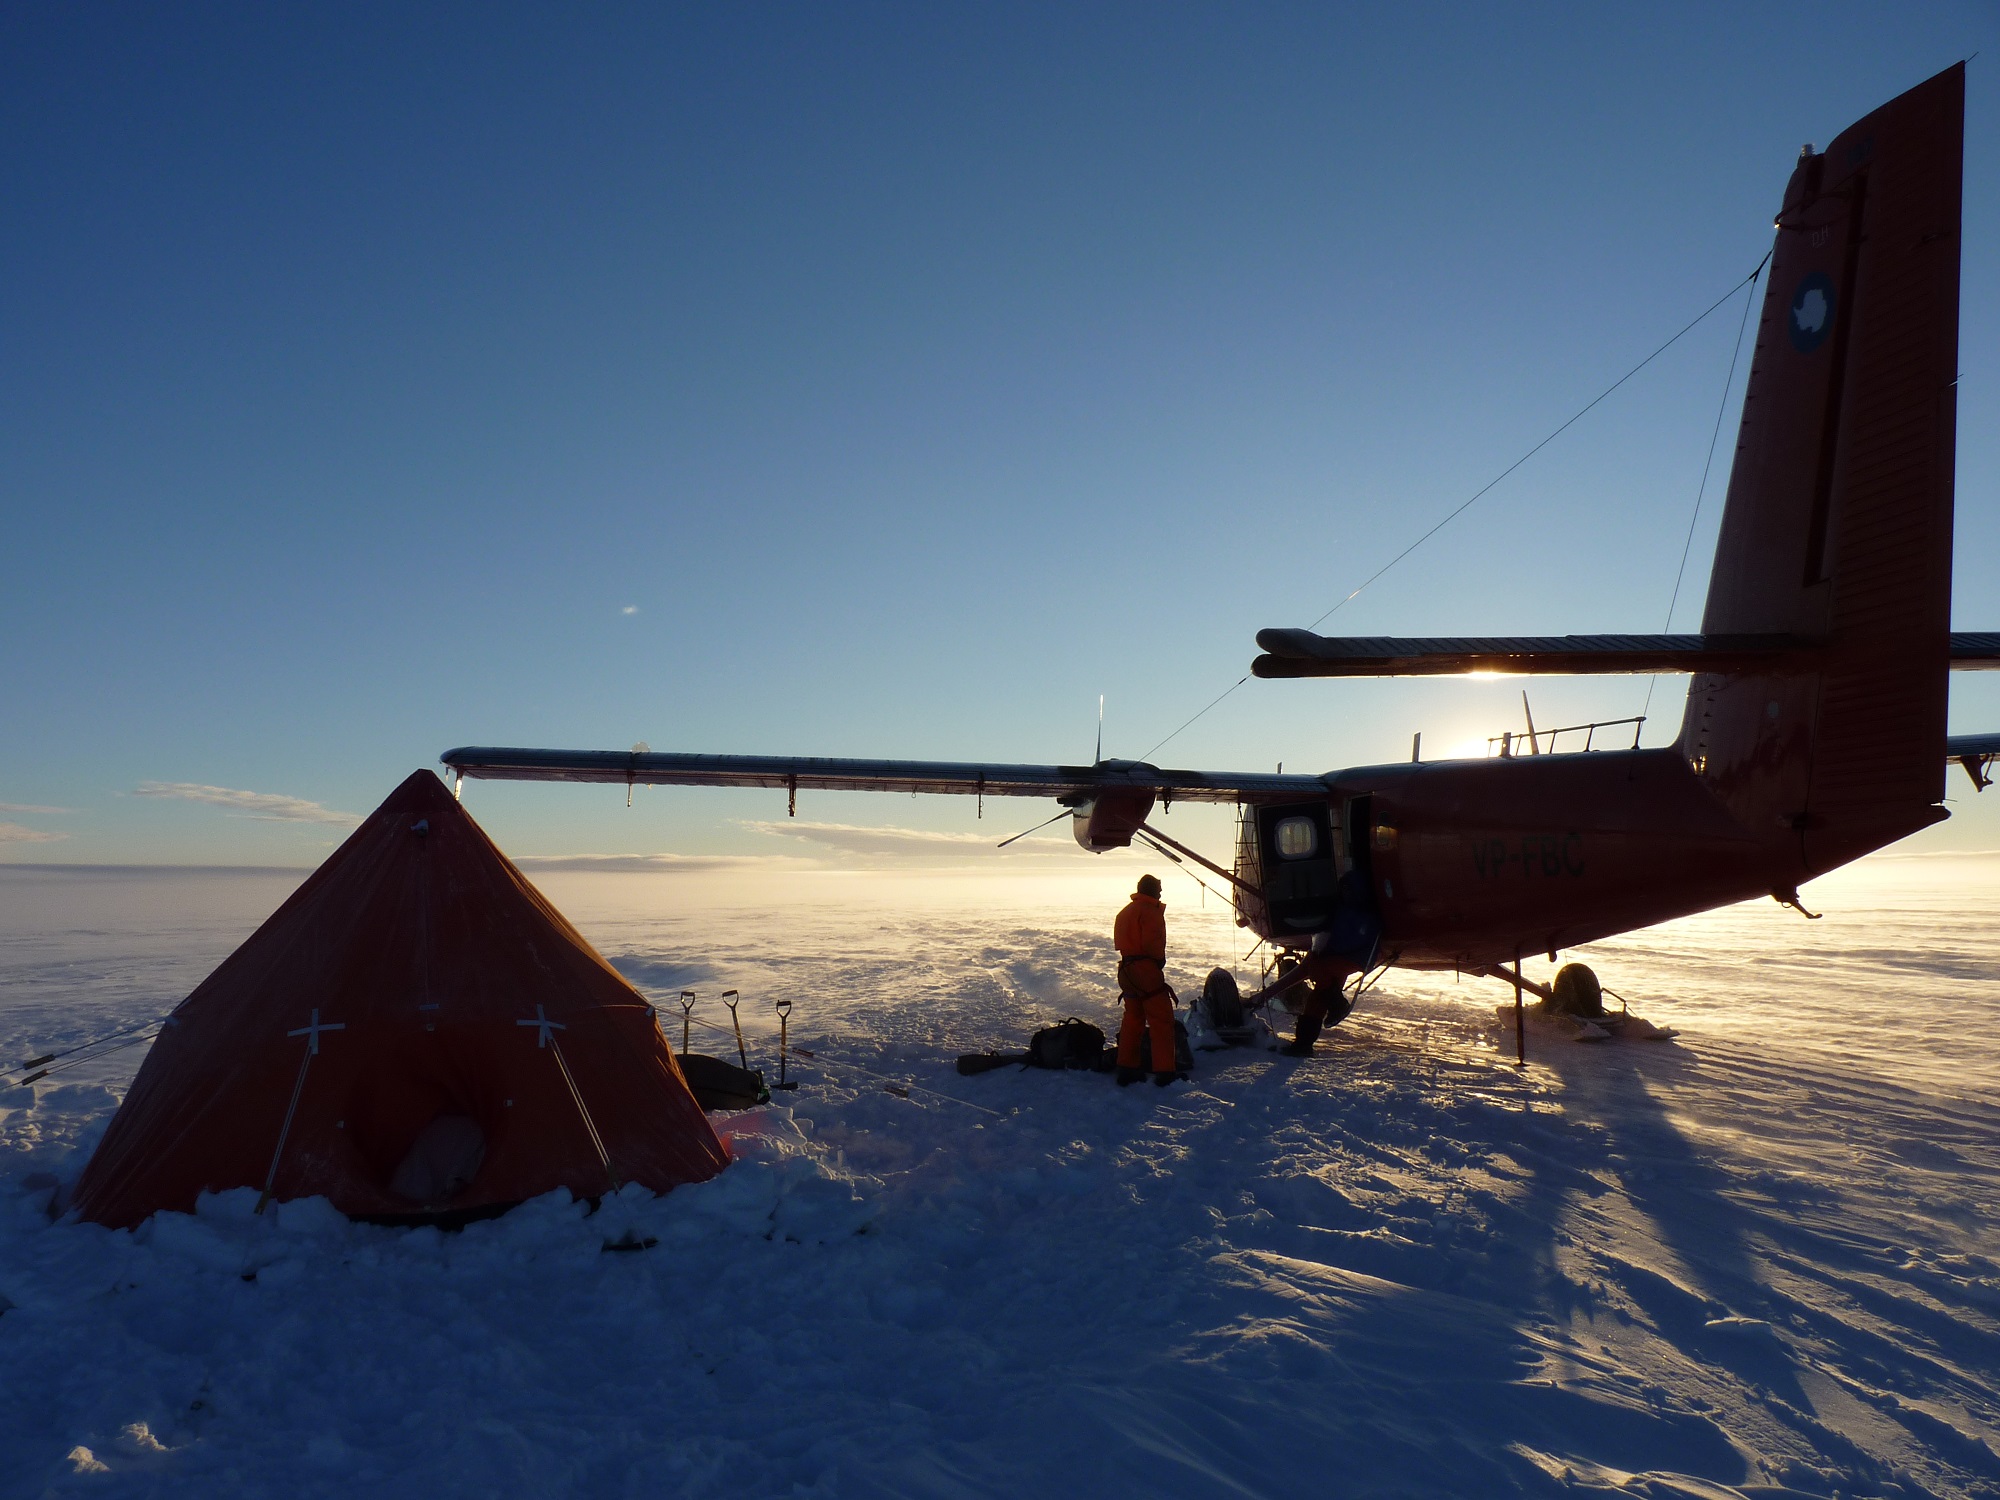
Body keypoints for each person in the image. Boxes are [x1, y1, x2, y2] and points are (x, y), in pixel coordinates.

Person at [1113, 874, 1181, 1087]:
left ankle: (1126, 1069)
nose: (1161, 893)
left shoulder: (1125, 912)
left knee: (1133, 1018)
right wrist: (1158, 963)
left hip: (1126, 970)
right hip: (1145, 970)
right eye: (1159, 889)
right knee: (1161, 1019)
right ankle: (1164, 1073)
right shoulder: (1150, 912)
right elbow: (1153, 943)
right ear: (1151, 889)